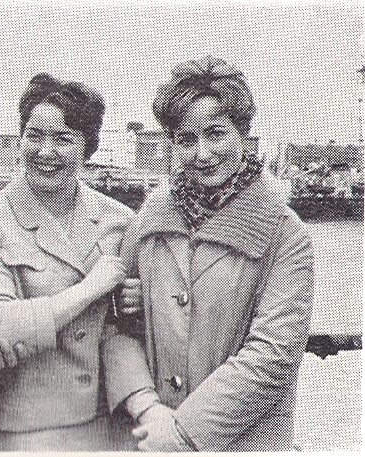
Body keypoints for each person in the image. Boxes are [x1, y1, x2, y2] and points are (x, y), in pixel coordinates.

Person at [103, 56, 314, 452]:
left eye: (215, 134)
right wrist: (148, 408)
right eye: (186, 139)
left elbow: (272, 355)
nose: (201, 153)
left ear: (243, 135)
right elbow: (116, 328)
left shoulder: (285, 233)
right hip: (153, 435)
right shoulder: (151, 217)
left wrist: (181, 433)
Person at [0, 73, 137, 451]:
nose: (45, 151)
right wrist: (90, 289)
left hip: (111, 423)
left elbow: (130, 328)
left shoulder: (120, 219)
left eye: (63, 138)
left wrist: (140, 302)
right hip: (29, 429)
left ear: (88, 148)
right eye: (34, 135)